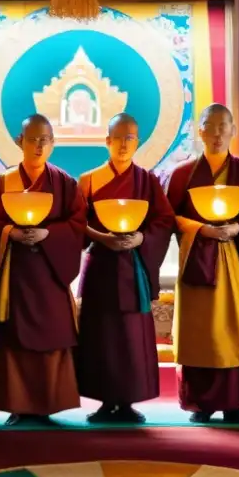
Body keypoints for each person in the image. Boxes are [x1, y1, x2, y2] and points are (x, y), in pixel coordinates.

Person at [164, 104, 239, 424]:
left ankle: (233, 404)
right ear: (198, 131)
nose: (216, 133)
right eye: (209, 127)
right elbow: (167, 218)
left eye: (223, 126)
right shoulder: (182, 173)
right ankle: (200, 403)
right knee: (200, 332)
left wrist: (238, 228)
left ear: (233, 130)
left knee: (231, 328)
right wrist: (200, 228)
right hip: (196, 260)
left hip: (231, 260)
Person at [0, 114, 87, 425]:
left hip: (50, 272)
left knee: (51, 335)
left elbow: (78, 224)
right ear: (20, 141)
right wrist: (9, 233)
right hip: (17, 272)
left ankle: (48, 403)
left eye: (45, 140)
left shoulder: (66, 183)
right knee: (16, 337)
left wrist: (49, 235)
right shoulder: (5, 181)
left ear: (53, 143)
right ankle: (19, 404)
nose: (39, 146)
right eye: (32, 139)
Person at [76, 113, 175, 423]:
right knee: (102, 334)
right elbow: (76, 222)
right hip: (102, 265)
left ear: (138, 142)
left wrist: (142, 237)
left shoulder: (147, 180)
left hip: (133, 266)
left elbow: (164, 220)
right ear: (106, 140)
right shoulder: (89, 179)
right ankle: (105, 401)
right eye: (117, 137)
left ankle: (129, 400)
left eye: (130, 138)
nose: (123, 144)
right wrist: (102, 238)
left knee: (131, 335)